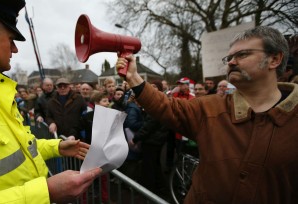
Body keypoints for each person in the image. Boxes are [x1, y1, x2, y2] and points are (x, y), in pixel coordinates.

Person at [0, 1, 101, 203]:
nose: (14, 49)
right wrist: (46, 192)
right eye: (11, 38)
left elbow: (19, 149)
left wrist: (57, 147)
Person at [116, 26, 298, 203]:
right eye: (229, 57)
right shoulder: (210, 107)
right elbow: (168, 107)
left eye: (242, 54)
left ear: (274, 59)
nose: (231, 62)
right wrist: (133, 77)